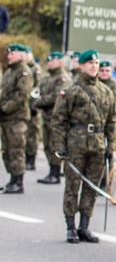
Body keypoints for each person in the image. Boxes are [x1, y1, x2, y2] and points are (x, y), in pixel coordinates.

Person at [51, 50, 116, 243]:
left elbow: (112, 121)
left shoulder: (107, 92)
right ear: (81, 65)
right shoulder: (71, 90)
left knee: (92, 186)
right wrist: (60, 146)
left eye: (96, 63)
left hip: (97, 145)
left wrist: (110, 146)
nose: (94, 66)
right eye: (90, 63)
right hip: (76, 144)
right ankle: (70, 226)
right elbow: (58, 120)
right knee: (73, 185)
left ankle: (84, 226)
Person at [1, 45, 33, 193]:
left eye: (12, 54)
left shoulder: (23, 71)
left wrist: (5, 108)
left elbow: (22, 95)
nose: (9, 56)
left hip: (17, 118)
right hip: (6, 118)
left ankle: (18, 182)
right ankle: (12, 179)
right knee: (7, 150)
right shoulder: (9, 72)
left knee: (17, 149)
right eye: (9, 54)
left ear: (20, 55)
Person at [36, 52, 71, 184]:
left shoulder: (62, 78)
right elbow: (40, 92)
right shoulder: (46, 78)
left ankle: (55, 172)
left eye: (53, 61)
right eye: (49, 61)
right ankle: (51, 170)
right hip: (46, 116)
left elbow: (57, 96)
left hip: (56, 117)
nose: (50, 63)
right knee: (46, 145)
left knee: (54, 145)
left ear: (60, 62)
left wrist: (40, 102)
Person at [25, 49, 43, 171]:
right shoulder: (24, 69)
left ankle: (31, 160)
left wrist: (34, 106)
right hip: (25, 108)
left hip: (33, 108)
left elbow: (37, 89)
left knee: (32, 135)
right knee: (26, 135)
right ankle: (27, 158)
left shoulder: (35, 70)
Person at [97, 61, 116, 131]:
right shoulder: (95, 84)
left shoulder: (115, 86)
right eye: (102, 70)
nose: (104, 73)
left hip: (109, 122)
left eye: (107, 71)